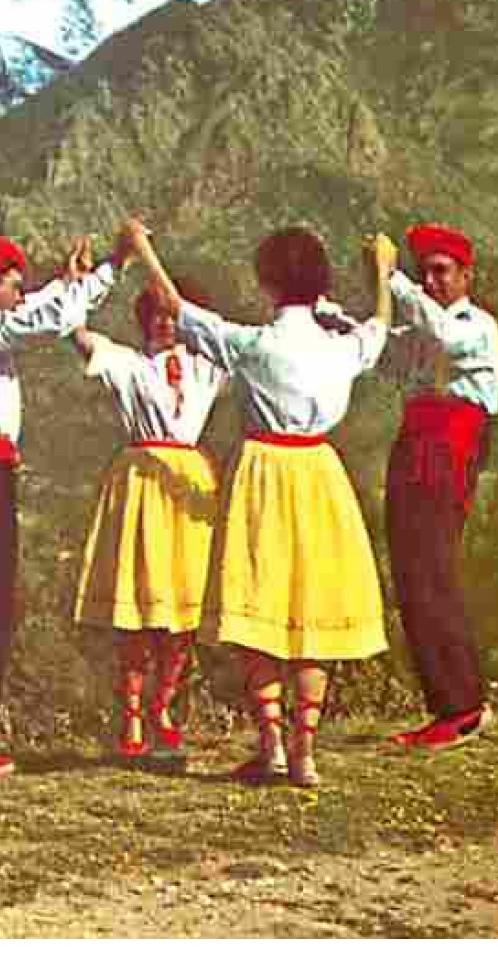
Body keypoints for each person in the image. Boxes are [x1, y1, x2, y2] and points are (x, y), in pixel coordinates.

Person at [131, 223, 397, 788]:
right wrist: (382, 270)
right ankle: (305, 750)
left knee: (261, 607)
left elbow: (175, 306)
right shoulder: (340, 346)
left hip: (264, 473)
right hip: (320, 471)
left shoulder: (253, 344)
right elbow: (378, 328)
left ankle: (272, 742)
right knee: (311, 611)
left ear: (267, 280)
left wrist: (143, 248)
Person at [0, 222, 136, 779]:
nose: (21, 290)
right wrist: (81, 281)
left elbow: (46, 306)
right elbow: (46, 316)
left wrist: (108, 267)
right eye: (12, 282)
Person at [70, 278, 227, 761]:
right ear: (143, 321)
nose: (166, 323)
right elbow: (77, 333)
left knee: (185, 604)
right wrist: (77, 290)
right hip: (141, 481)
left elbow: (257, 352)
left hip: (188, 483)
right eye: (156, 314)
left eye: (173, 315)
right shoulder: (128, 365)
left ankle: (163, 704)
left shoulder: (208, 368)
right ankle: (133, 713)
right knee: (138, 604)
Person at [382, 224, 498, 750]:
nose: (430, 281)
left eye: (441, 271)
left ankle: (463, 703)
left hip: (450, 447)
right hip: (417, 442)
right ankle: (448, 702)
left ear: (465, 275)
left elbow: (442, 338)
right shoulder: (425, 328)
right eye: (424, 271)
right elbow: (392, 357)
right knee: (412, 570)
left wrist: (392, 279)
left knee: (434, 569)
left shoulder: (478, 326)